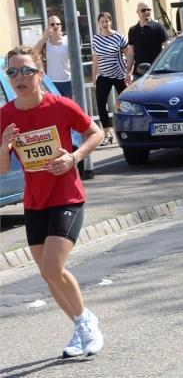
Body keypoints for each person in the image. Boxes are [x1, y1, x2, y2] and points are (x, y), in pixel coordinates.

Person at [0, 45, 105, 357]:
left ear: (39, 73)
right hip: (34, 201)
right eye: (13, 72)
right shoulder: (5, 115)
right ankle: (80, 325)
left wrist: (73, 158)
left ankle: (86, 322)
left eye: (26, 70)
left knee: (52, 266)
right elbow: (2, 168)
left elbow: (95, 133)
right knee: (48, 274)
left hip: (66, 197)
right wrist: (4, 146)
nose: (20, 77)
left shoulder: (59, 105)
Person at [91, 12, 128, 146]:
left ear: (110, 22)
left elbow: (128, 53)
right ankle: (107, 133)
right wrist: (94, 77)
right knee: (101, 104)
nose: (105, 24)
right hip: (104, 76)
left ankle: (126, 129)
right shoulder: (96, 39)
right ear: (98, 23)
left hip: (120, 75)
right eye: (102, 21)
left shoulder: (118, 36)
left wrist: (128, 71)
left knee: (125, 103)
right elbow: (95, 59)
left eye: (107, 21)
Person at [125, 2, 167, 85]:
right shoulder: (133, 30)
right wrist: (128, 72)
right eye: (143, 10)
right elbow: (131, 53)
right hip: (138, 74)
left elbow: (167, 47)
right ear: (137, 12)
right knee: (138, 97)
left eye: (149, 10)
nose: (147, 12)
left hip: (156, 73)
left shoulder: (158, 27)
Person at [33, 16, 72, 99]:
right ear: (48, 27)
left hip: (68, 81)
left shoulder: (67, 40)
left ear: (61, 26)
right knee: (55, 109)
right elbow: (33, 53)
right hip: (52, 82)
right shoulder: (45, 43)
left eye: (58, 24)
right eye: (52, 24)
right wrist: (44, 37)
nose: (55, 26)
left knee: (68, 108)